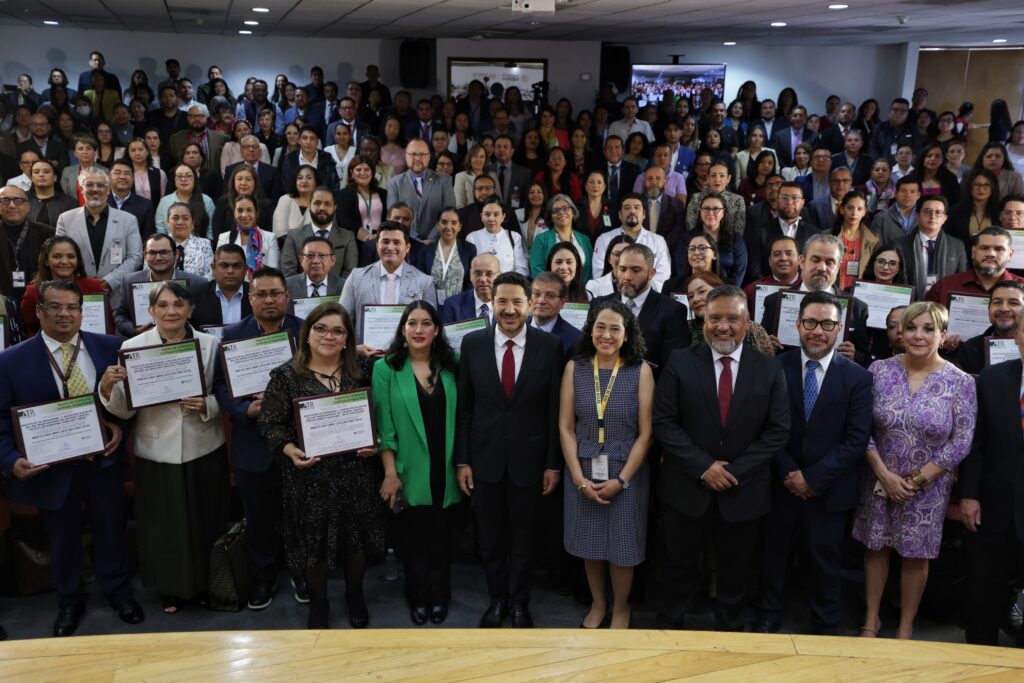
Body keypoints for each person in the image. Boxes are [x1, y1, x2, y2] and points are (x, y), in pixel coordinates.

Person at [0, 279, 144, 636]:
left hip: (102, 462)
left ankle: (118, 591)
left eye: (72, 307)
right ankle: (70, 600)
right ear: (39, 311)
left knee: (111, 530)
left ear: (82, 311)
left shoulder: (110, 347)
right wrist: (11, 460)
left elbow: (131, 401)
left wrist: (119, 429)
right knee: (62, 538)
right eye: (55, 307)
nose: (64, 314)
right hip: (51, 470)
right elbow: (1, 420)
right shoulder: (10, 361)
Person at [653, 283, 790, 631]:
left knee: (736, 572)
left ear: (747, 321)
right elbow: (664, 422)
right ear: (704, 321)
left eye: (732, 318)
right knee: (678, 567)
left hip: (744, 490)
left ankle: (730, 636)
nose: (723, 326)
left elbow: (777, 431)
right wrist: (704, 467)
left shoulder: (769, 368)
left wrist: (734, 472)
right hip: (686, 489)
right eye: (715, 318)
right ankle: (668, 629)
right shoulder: (680, 361)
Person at [99, 282, 228, 615]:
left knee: (206, 519)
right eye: (163, 305)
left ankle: (207, 585)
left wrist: (208, 404)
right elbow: (125, 410)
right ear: (151, 310)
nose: (172, 311)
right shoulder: (132, 347)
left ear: (190, 310)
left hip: (203, 444)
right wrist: (107, 387)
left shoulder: (210, 344)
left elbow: (224, 393)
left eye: (179, 305)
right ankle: (170, 590)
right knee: (162, 526)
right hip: (155, 448)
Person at [852, 301, 976, 639]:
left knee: (915, 556)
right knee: (876, 547)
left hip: (928, 488)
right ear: (900, 333)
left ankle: (905, 628)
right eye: (910, 328)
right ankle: (871, 620)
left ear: (943, 335)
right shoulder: (878, 370)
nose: (918, 335)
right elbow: (860, 428)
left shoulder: (960, 381)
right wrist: (883, 474)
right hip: (879, 478)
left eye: (928, 329)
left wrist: (918, 479)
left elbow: (962, 440)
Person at [258, 302, 386, 629]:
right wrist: (289, 450)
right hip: (309, 477)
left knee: (355, 540)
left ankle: (354, 594)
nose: (329, 336)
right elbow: (270, 424)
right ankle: (319, 603)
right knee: (312, 545)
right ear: (307, 333)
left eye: (338, 331)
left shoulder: (364, 368)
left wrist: (377, 441)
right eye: (321, 328)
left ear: (347, 338)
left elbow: (383, 414)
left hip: (357, 472)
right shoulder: (286, 376)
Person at [753, 291, 872, 635]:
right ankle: (768, 615)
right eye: (810, 322)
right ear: (797, 325)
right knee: (773, 554)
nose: (818, 331)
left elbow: (856, 439)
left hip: (829, 489)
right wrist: (790, 473)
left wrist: (813, 478)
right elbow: (764, 427)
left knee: (825, 560)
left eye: (827, 324)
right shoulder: (775, 368)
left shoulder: (858, 377)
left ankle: (825, 622)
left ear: (839, 328)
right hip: (780, 483)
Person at [455, 271, 564, 628]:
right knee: (490, 539)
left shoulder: (550, 347)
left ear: (530, 303)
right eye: (502, 301)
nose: (510, 309)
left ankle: (519, 602)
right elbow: (465, 409)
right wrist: (463, 461)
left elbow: (554, 412)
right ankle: (497, 599)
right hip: (483, 460)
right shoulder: (472, 344)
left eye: (517, 301)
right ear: (492, 303)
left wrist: (552, 464)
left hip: (530, 462)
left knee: (523, 539)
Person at [213, 266, 306, 610]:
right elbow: (220, 385)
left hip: (297, 439)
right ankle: (264, 576)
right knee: (258, 516)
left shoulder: (306, 331)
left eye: (275, 293)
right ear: (250, 298)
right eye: (261, 294)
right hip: (252, 442)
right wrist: (243, 410)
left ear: (287, 296)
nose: (269, 300)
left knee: (299, 514)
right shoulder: (232, 335)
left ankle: (301, 572)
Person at [559, 299, 654, 630]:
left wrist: (622, 480)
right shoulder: (575, 368)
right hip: (584, 468)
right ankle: (599, 603)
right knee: (590, 543)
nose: (607, 335)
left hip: (627, 472)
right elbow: (565, 428)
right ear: (590, 330)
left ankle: (621, 607)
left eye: (615, 328)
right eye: (600, 327)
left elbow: (646, 434)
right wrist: (578, 478)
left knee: (623, 545)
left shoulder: (641, 371)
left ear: (627, 334)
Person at [374, 301, 461, 626]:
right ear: (403, 329)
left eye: (426, 323)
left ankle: (440, 596)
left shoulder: (452, 364)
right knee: (412, 541)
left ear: (437, 330)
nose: (419, 330)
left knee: (441, 538)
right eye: (412, 323)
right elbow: (385, 428)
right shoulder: (386, 368)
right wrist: (390, 473)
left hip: (447, 467)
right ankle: (417, 596)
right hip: (406, 471)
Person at [960, 315, 1024, 645]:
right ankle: (979, 656)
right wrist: (968, 495)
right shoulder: (992, 377)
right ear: (1017, 336)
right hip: (993, 504)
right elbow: (976, 442)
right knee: (984, 587)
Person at [761, 234, 873, 366]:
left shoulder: (857, 308)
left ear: (838, 266)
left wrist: (854, 356)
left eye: (830, 262)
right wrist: (766, 347)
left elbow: (865, 357)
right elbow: (758, 352)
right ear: (801, 261)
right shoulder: (774, 302)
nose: (821, 268)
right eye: (815, 260)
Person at [340, 221, 437, 352]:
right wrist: (354, 349)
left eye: (397, 242)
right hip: (364, 357)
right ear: (377, 245)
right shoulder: (356, 277)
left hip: (407, 356)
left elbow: (429, 326)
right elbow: (341, 320)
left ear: (407, 247)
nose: (390, 247)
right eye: (385, 242)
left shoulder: (424, 282)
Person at [592, 244, 690, 372]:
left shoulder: (672, 311)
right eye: (622, 269)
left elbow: (673, 366)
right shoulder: (598, 305)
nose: (627, 276)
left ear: (651, 273)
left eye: (636, 270)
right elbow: (587, 351)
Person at [54, 167, 143, 288]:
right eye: (89, 185)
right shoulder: (65, 219)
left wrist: (108, 282)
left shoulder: (128, 220)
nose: (95, 189)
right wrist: (83, 283)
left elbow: (135, 257)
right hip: (76, 290)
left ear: (108, 190)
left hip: (116, 292)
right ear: (81, 189)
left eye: (100, 185)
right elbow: (60, 256)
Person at [112, 233, 207, 337]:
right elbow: (119, 315)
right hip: (143, 342)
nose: (158, 258)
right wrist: (134, 330)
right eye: (152, 253)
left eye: (164, 252)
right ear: (145, 255)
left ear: (176, 254)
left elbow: (204, 319)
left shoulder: (197, 283)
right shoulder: (129, 281)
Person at [20, 237, 110, 337]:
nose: (64, 261)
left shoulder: (95, 287)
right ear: (46, 261)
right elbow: (29, 329)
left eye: (71, 256)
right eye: (57, 257)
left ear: (77, 260)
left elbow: (109, 326)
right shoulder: (33, 291)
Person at [592, 193, 672, 292]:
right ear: (620, 214)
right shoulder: (604, 239)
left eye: (637, 207)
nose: (632, 211)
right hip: (611, 295)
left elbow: (663, 275)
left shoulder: (658, 241)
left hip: (648, 297)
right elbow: (599, 273)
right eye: (627, 208)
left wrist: (642, 294)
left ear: (644, 214)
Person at [384, 139, 456, 243]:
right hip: (405, 242)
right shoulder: (394, 183)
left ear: (429, 157)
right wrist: (416, 239)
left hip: (437, 242)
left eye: (422, 154)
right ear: (406, 156)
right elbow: (394, 218)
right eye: (413, 154)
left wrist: (431, 239)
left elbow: (449, 214)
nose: (417, 158)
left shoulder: (444, 180)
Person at [897, 195, 967, 301]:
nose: (933, 216)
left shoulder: (957, 246)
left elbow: (961, 280)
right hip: (909, 304)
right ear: (917, 215)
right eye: (927, 211)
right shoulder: (900, 245)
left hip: (943, 306)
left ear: (945, 218)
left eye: (938, 212)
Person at [686, 272, 775, 356]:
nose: (695, 299)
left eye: (702, 291)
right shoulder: (687, 329)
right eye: (690, 296)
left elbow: (767, 363)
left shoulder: (752, 329)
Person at [951, 280, 1024, 375]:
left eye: (1013, 303)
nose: (1003, 308)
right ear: (989, 309)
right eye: (997, 302)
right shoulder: (969, 349)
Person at [0, 185, 54, 301]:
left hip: (37, 299)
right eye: (5, 200)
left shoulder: (47, 234)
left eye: (18, 200)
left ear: (28, 206)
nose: (11, 205)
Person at [682, 192, 747, 286]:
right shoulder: (688, 237)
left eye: (716, 209)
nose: (710, 213)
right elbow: (682, 267)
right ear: (700, 212)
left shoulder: (736, 239)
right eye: (706, 209)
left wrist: (727, 292)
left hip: (726, 290)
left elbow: (739, 270)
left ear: (723, 213)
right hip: (692, 287)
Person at [413, 207, 476, 301]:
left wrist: (462, 302)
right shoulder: (425, 251)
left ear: (459, 226)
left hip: (459, 305)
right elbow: (420, 281)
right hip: (431, 305)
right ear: (437, 225)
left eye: (453, 223)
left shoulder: (469, 249)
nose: (448, 227)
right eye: (444, 222)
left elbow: (472, 280)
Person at [216, 195, 280, 280]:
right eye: (240, 210)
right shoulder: (224, 238)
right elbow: (219, 269)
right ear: (234, 213)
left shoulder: (270, 238)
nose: (244, 215)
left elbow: (273, 272)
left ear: (256, 213)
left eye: (249, 210)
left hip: (262, 285)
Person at [529, 194, 593, 279]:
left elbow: (590, 270)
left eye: (565, 208)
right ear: (551, 217)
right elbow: (537, 269)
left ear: (573, 212)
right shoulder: (541, 239)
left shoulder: (585, 240)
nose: (561, 212)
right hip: (551, 286)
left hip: (582, 286)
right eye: (556, 210)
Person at [189, 244, 252, 328]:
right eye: (224, 265)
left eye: (236, 266)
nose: (230, 271)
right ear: (213, 268)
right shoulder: (194, 295)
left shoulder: (257, 294)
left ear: (245, 269)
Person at [466, 196, 529, 276]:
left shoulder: (514, 237)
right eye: (487, 214)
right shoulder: (472, 238)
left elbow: (522, 269)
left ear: (503, 217)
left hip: (508, 283)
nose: (491, 218)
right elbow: (469, 269)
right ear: (481, 216)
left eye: (496, 214)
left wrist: (507, 281)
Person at [946, 169, 1000, 259]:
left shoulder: (1000, 211)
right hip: (961, 260)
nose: (981, 189)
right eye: (977, 184)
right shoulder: (954, 211)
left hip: (993, 260)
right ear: (969, 187)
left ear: (993, 188)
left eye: (986, 185)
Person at [830, 190, 878, 290]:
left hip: (860, 292)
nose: (854, 213)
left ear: (864, 211)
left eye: (859, 209)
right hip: (832, 290)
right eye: (850, 208)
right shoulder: (827, 236)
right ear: (842, 209)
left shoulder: (873, 240)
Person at [155, 163, 214, 238]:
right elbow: (161, 232)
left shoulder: (206, 200)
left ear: (195, 179)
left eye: (188, 176)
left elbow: (210, 232)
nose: (183, 179)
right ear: (174, 179)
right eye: (179, 176)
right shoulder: (164, 202)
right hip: (170, 244)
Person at [440, 253, 499, 325]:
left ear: (499, 276)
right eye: (477, 273)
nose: (483, 279)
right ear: (471, 276)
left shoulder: (507, 304)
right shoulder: (453, 305)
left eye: (489, 274)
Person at [106, 159, 156, 242]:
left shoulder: (145, 205)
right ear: (109, 177)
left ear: (133, 178)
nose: (122, 177)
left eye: (127, 173)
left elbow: (148, 237)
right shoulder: (102, 202)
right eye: (117, 173)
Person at [285, 235, 345, 304]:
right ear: (301, 260)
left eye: (322, 255)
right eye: (310, 255)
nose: (316, 261)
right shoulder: (287, 285)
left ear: (333, 260)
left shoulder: (344, 286)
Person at [165, 202, 215, 280]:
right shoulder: (159, 245)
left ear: (192, 223)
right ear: (168, 222)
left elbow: (210, 274)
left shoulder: (204, 244)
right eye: (175, 218)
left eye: (185, 218)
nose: (180, 222)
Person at [27, 159, 78, 228]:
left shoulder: (69, 203)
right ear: (31, 178)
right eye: (36, 172)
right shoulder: (23, 200)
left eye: (46, 172)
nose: (41, 175)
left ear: (55, 177)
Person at [871, 175, 921, 244]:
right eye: (904, 191)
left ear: (918, 195)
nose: (908, 195)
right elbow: (876, 247)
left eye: (912, 192)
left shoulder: (925, 217)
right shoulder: (880, 219)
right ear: (895, 194)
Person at [272, 165, 318, 238]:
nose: (304, 181)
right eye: (300, 178)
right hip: (286, 244)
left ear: (316, 182)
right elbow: (280, 233)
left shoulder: (320, 203)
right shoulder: (285, 200)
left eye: (309, 178)